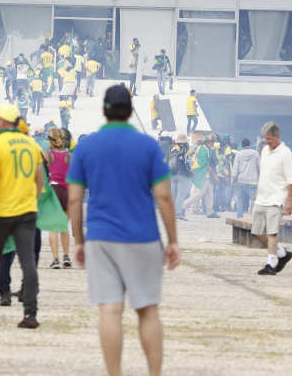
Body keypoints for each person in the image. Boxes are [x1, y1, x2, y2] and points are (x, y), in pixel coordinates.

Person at [67, 84, 180, 376]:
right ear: (131, 111)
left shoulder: (86, 147)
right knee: (147, 310)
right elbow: (164, 196)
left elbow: (76, 199)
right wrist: (173, 240)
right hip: (142, 236)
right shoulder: (148, 146)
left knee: (109, 309)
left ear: (104, 111)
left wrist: (79, 241)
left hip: (101, 237)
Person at [0, 104, 45, 328]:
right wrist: (33, 200)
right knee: (28, 262)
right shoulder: (31, 144)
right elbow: (39, 179)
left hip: (2, 211)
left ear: (3, 122)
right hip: (27, 211)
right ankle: (30, 314)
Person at [252, 122, 292, 275]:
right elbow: (264, 173)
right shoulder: (264, 150)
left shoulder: (286, 153)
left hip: (277, 198)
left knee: (272, 232)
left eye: (269, 139)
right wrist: (258, 191)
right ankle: (283, 254)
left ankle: (270, 264)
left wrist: (289, 201)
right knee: (257, 230)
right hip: (262, 197)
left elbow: (291, 180)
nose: (267, 142)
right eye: (265, 139)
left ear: (277, 137)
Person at [46, 128, 72, 269]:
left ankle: (55, 260)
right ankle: (66, 256)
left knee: (53, 228)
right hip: (67, 191)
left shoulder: (49, 156)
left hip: (54, 190)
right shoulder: (70, 156)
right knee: (64, 227)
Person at [182, 135, 218, 218]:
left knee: (210, 193)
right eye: (211, 142)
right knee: (199, 194)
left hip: (204, 174)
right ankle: (183, 206)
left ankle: (210, 211)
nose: (212, 143)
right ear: (207, 142)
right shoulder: (203, 150)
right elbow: (206, 165)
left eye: (213, 142)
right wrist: (215, 175)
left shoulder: (205, 149)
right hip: (202, 174)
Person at [231, 138, 259, 219]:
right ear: (250, 145)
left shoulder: (238, 154)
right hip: (253, 181)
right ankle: (254, 218)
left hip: (241, 181)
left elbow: (235, 169)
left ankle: (239, 216)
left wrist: (233, 180)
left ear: (242, 146)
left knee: (240, 199)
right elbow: (259, 167)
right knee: (254, 200)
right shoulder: (255, 154)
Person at [168, 134, 191, 220]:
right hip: (182, 174)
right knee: (180, 195)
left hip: (172, 174)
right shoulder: (185, 148)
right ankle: (178, 214)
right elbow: (187, 162)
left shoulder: (172, 148)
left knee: (174, 195)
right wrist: (190, 172)